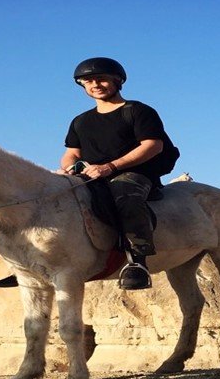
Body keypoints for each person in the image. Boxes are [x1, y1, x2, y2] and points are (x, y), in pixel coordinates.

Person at [58, 57, 176, 290]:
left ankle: (137, 261)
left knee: (124, 195)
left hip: (133, 174)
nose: (95, 84)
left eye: (101, 79)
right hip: (90, 175)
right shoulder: (80, 121)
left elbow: (153, 145)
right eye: (88, 81)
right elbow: (72, 152)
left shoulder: (138, 111)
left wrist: (110, 167)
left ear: (117, 81)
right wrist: (68, 167)